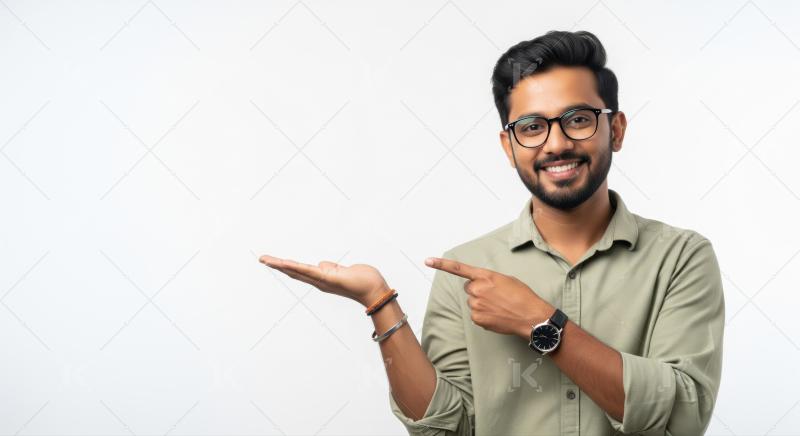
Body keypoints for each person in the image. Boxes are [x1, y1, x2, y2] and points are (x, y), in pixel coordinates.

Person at [259, 30, 725, 436]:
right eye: (532, 126)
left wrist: (542, 324)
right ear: (509, 145)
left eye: (579, 119)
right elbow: (445, 429)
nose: (556, 143)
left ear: (616, 130)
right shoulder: (465, 270)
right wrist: (378, 301)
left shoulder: (681, 258)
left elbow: (684, 415)